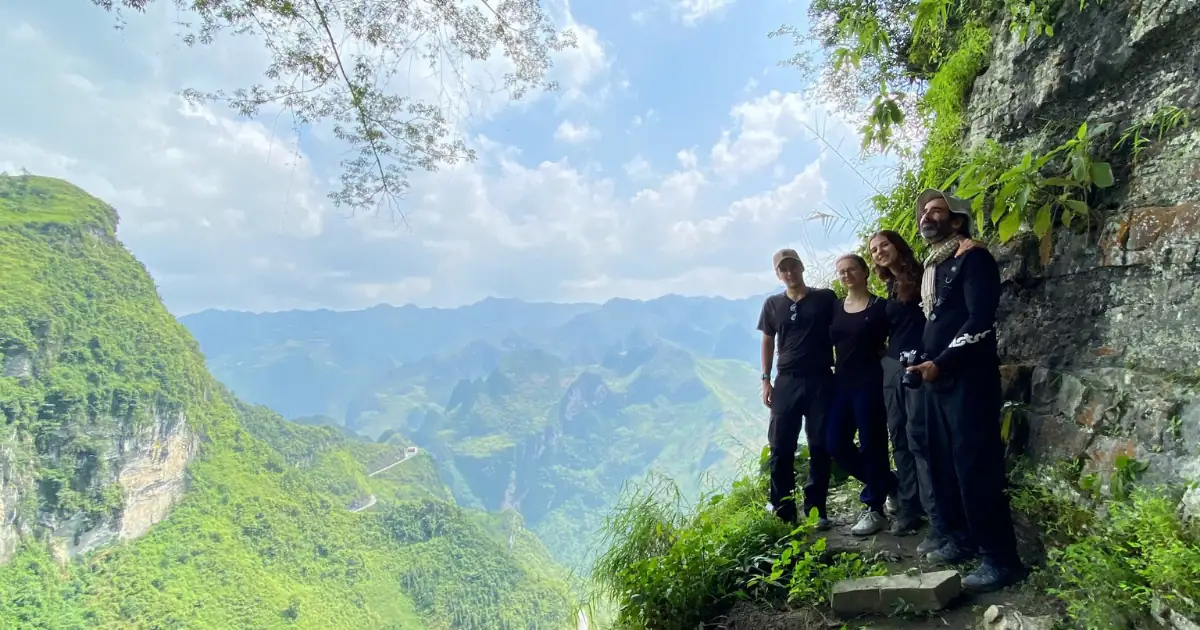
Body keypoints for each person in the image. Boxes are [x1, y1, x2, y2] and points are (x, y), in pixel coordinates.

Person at [905, 188, 1025, 592]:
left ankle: (1000, 560)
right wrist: (922, 359)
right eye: (925, 212)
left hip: (968, 381)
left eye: (938, 211)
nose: (928, 216)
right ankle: (961, 539)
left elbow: (981, 320)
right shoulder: (934, 269)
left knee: (977, 469)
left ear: (957, 222)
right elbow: (936, 323)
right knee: (944, 465)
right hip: (938, 382)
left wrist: (941, 362)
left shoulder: (974, 258)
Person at [757, 248, 837, 530]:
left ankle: (817, 509)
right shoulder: (772, 304)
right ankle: (783, 510)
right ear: (778, 274)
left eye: (794, 267)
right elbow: (767, 340)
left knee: (820, 444)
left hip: (820, 379)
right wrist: (766, 379)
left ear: (802, 268)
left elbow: (840, 331)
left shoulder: (825, 298)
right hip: (786, 380)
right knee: (780, 445)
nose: (790, 273)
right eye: (783, 269)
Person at [826, 254, 898, 536]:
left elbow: (897, 339)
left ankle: (875, 508)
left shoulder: (881, 307)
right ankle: (890, 484)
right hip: (841, 383)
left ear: (865, 271)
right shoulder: (834, 308)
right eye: (841, 271)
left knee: (873, 444)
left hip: (871, 382)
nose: (846, 275)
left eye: (851, 269)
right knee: (836, 444)